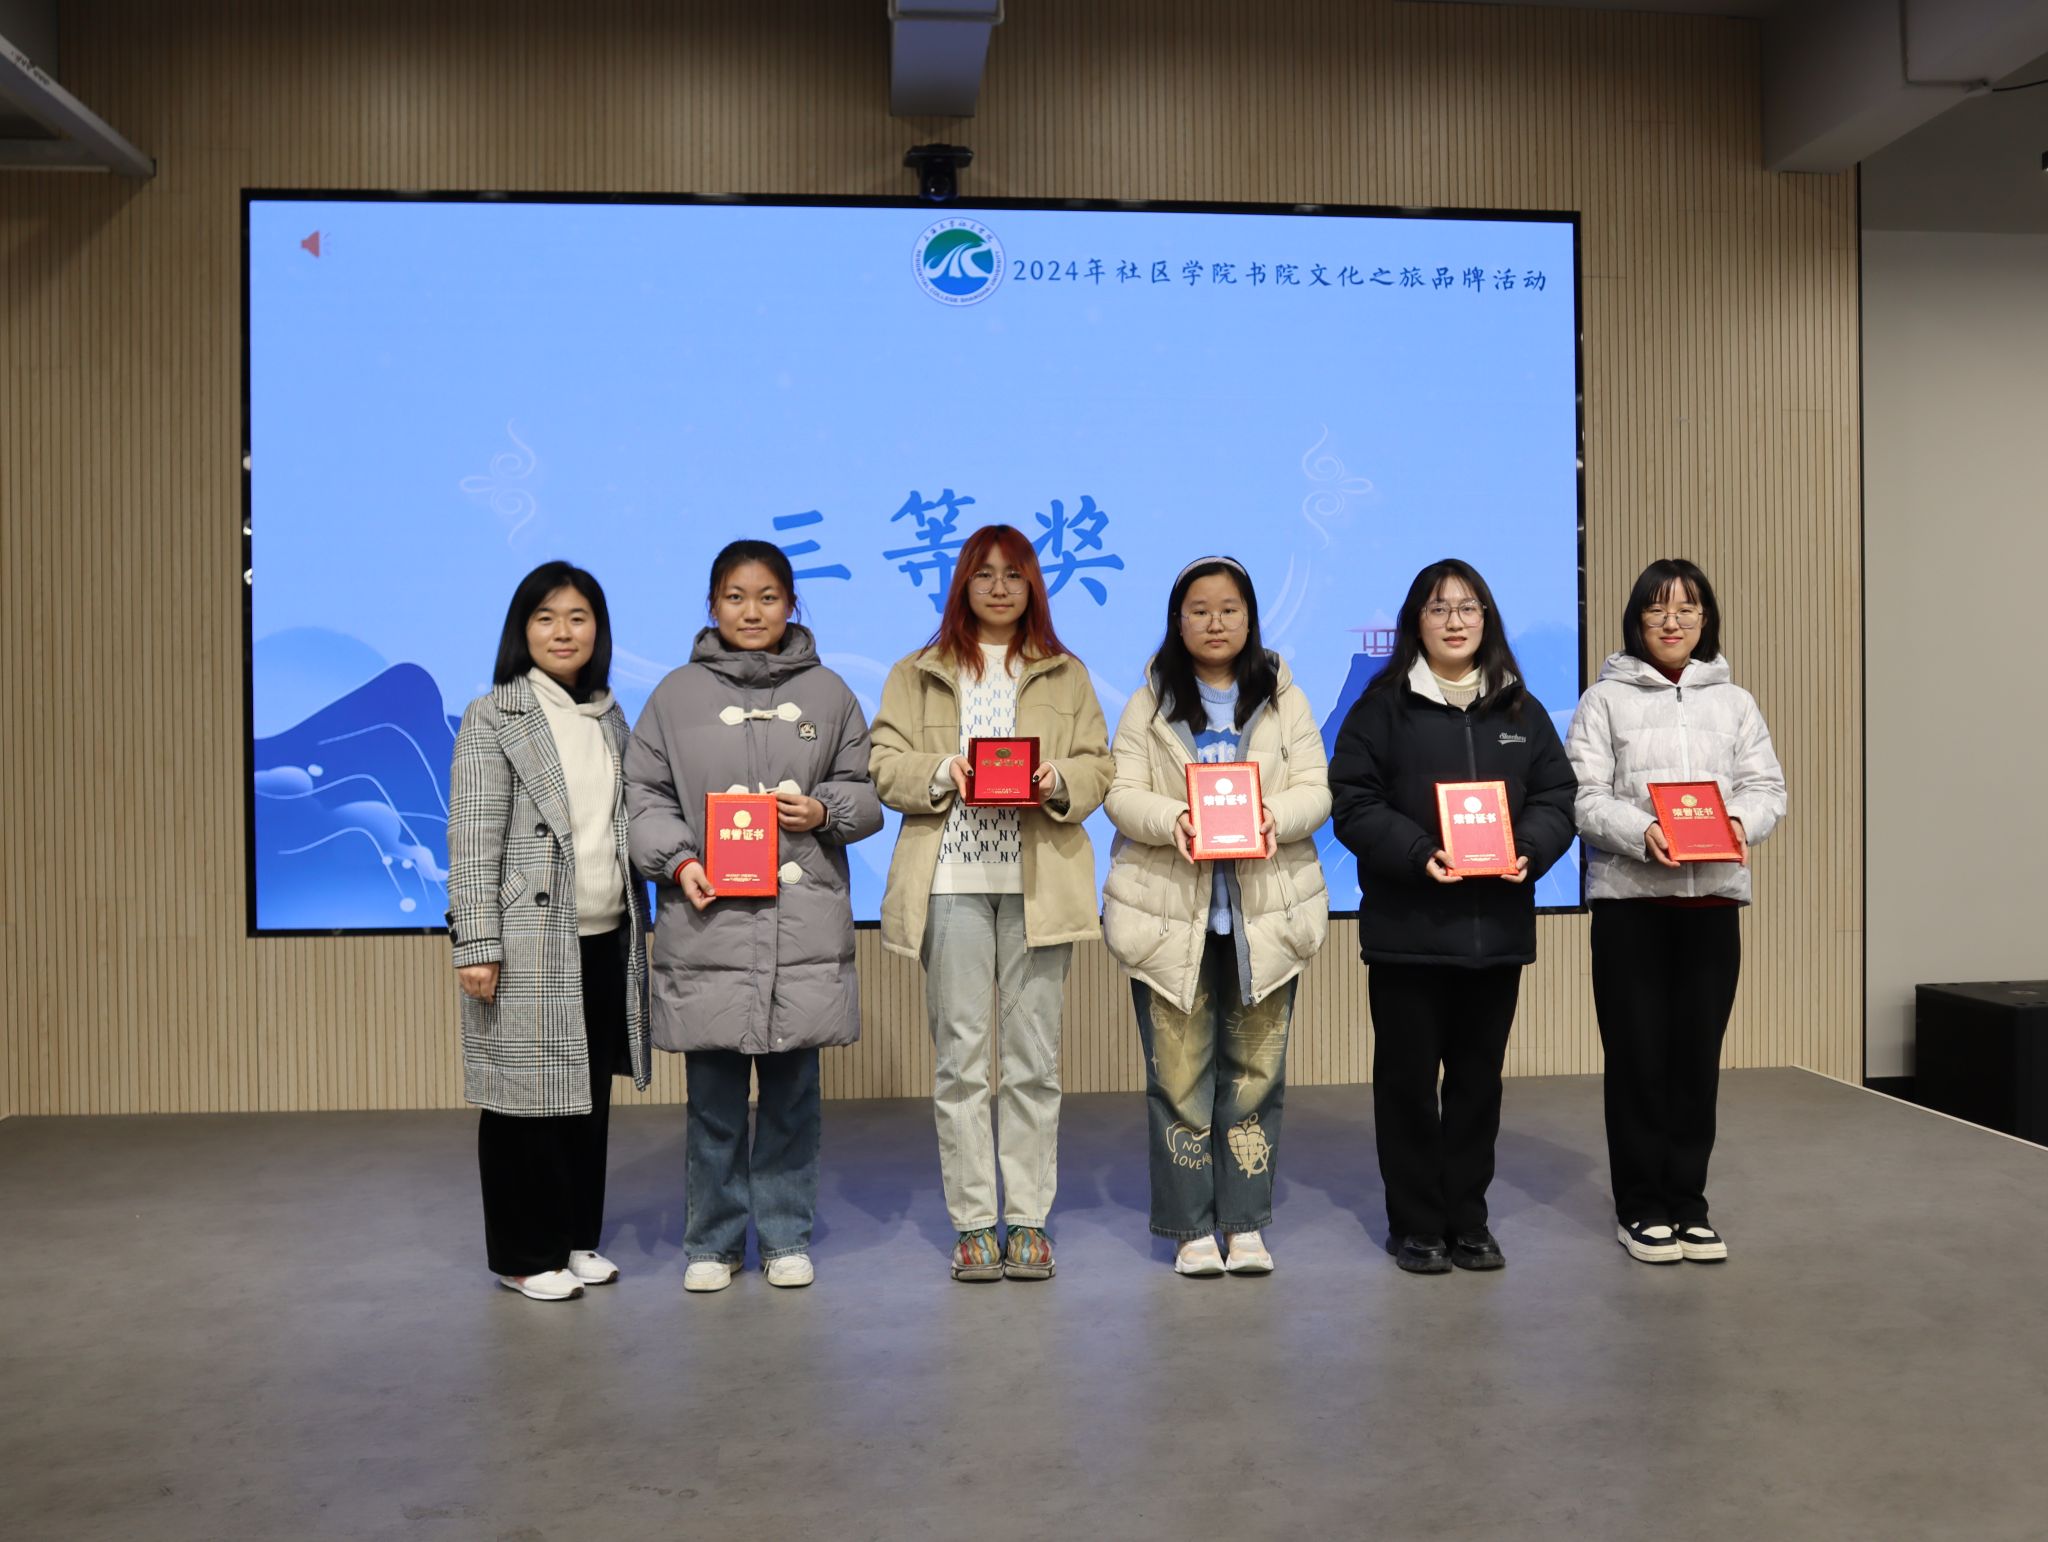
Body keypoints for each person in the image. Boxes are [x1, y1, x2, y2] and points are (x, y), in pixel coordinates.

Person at [622, 540, 882, 1293]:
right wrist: (680, 860)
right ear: (712, 606)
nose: (752, 611)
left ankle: (786, 1235)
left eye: (768, 596)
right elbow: (643, 797)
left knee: (793, 1099)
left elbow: (867, 792)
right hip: (710, 923)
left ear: (792, 604)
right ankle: (711, 1242)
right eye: (735, 597)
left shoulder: (829, 693)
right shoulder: (674, 695)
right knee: (713, 1102)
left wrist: (823, 809)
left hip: (801, 929)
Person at [870, 525, 1113, 1282]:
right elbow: (882, 765)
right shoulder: (917, 672)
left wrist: (1058, 781)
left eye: (1014, 574)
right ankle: (976, 1222)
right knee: (962, 1063)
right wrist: (943, 770)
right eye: (985, 574)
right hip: (951, 882)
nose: (1000, 587)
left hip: (1039, 884)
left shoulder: (1065, 673)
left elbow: (1101, 766)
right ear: (963, 585)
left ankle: (1029, 1219)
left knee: (1034, 1061)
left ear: (1034, 584)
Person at [1329, 558, 1577, 1275]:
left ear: (1486, 619)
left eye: (1468, 607)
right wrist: (1417, 853)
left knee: (1477, 1085)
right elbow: (1353, 802)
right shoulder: (1381, 708)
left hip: (1494, 932)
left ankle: (1469, 1219)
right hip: (1408, 932)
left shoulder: (1521, 710)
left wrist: (1529, 849)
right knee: (1407, 1085)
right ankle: (1415, 1224)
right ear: (1416, 623)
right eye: (1438, 609)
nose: (1455, 621)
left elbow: (1557, 797)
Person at [1101, 557, 1330, 1276]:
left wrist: (1271, 816)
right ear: (1178, 622)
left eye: (1229, 609)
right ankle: (1190, 1228)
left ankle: (1246, 1223)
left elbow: (1317, 788)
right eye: (1198, 610)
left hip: (1264, 917)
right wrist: (1173, 819)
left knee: (1256, 1076)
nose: (1215, 622)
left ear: (1250, 617)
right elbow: (1120, 793)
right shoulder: (1149, 703)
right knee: (1178, 1081)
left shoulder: (1284, 699)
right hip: (1171, 921)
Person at [1565, 558, 1786, 1265]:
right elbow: (1583, 797)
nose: (1672, 621)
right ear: (1637, 620)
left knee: (1696, 1057)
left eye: (1687, 609)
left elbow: (1767, 788)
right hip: (1631, 903)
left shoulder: (1735, 702)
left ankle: (1689, 1203)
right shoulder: (1603, 700)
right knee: (1637, 1056)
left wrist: (1738, 824)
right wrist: (1644, 832)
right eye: (1657, 609)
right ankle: (1640, 1207)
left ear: (1705, 619)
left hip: (1713, 901)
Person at [447, 561, 652, 1302]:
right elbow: (472, 838)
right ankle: (523, 1256)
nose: (563, 631)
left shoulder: (611, 718)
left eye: (577, 617)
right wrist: (477, 945)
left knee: (585, 1098)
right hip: (527, 941)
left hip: (605, 935)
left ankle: (572, 1238)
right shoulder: (493, 715)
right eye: (545, 617)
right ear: (522, 630)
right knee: (519, 1104)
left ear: (598, 630)